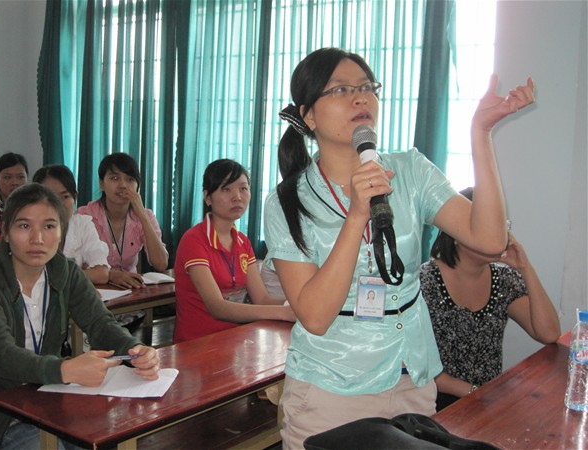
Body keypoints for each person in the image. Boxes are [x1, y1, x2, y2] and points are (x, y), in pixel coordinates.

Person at [263, 47, 535, 447]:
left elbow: (490, 240)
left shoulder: (408, 170)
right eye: (340, 89)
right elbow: (315, 317)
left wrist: (481, 134)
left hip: (412, 379)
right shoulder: (286, 202)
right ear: (309, 115)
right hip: (331, 390)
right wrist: (357, 216)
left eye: (366, 87)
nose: (360, 98)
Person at [0, 183, 160, 450]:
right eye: (24, 226)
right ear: (6, 232)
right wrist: (65, 370)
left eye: (49, 226)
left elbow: (100, 323)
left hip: (49, 401)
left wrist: (135, 350)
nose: (37, 238)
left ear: (62, 233)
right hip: (0, 413)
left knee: (111, 439)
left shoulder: (65, 272)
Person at [420, 187, 560, 411]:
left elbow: (548, 333)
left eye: (501, 227)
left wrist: (525, 268)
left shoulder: (503, 280)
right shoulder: (424, 282)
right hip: (435, 404)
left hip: (486, 402)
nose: (497, 237)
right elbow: (420, 369)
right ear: (458, 233)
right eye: (487, 228)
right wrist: (478, 394)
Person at [173, 159, 295, 343]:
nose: (237, 196)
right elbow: (218, 308)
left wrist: (299, 304)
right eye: (226, 189)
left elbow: (262, 299)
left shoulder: (243, 242)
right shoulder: (194, 240)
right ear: (207, 197)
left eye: (243, 188)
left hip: (234, 341)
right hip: (195, 344)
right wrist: (284, 312)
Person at [76, 153, 168, 289]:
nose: (123, 185)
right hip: (91, 290)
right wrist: (111, 275)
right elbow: (74, 267)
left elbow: (161, 264)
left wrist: (142, 215)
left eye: (130, 179)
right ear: (102, 184)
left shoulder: (145, 216)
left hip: (131, 290)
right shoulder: (85, 215)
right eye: (115, 178)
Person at [33, 164, 110, 284]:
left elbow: (101, 274)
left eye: (65, 196)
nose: (58, 204)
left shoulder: (82, 224)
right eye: (51, 197)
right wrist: (81, 274)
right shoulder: (29, 229)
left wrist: (57, 277)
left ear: (75, 197)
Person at [0, 153, 28, 249]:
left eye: (20, 177)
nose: (15, 182)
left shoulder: (36, 202)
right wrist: (19, 241)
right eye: (7, 177)